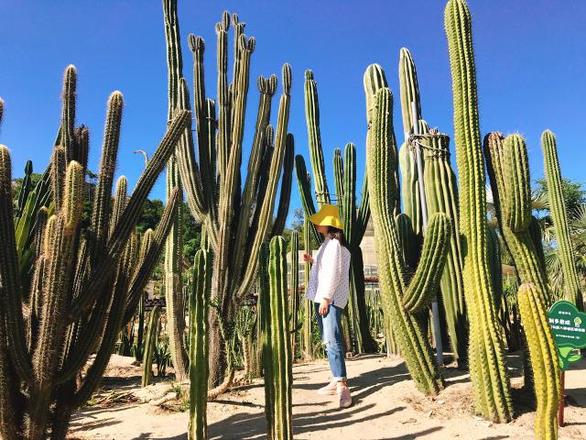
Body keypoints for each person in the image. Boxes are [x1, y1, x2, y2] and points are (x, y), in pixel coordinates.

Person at [304, 204, 352, 409]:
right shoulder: (328, 244)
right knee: (328, 338)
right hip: (323, 296)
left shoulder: (333, 245)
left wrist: (326, 298)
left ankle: (342, 384)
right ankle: (335, 378)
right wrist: (313, 260)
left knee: (332, 339)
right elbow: (327, 267)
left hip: (328, 298)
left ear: (329, 224)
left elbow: (334, 273)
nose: (316, 224)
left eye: (320, 221)